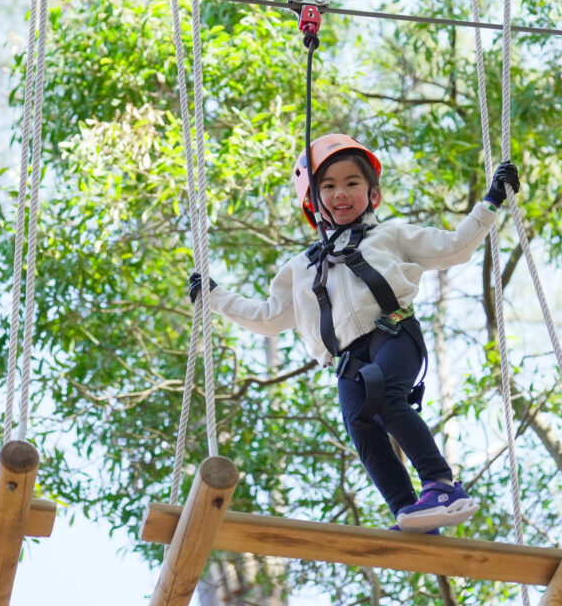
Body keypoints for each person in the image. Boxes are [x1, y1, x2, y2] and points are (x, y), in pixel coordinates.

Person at [188, 134, 519, 532]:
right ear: (312, 201)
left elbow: (454, 247)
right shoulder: (300, 269)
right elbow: (268, 317)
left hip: (392, 333)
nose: (340, 193)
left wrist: (491, 202)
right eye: (327, 186)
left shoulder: (390, 237)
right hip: (346, 361)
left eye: (351, 183)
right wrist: (214, 297)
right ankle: (409, 512)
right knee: (361, 427)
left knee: (386, 399)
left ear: (372, 194)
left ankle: (441, 484)